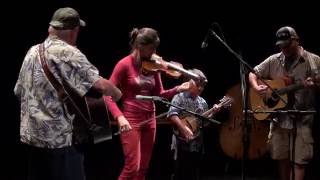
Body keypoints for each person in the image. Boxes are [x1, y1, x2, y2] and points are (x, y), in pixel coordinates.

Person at [14, 7, 122, 180]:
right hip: (60, 143)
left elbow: (18, 91)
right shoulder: (68, 52)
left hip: (32, 140)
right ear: (74, 31)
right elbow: (102, 87)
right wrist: (117, 94)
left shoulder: (32, 51)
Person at [104, 27, 195, 180]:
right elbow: (107, 95)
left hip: (150, 119)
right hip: (131, 119)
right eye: (152, 48)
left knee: (143, 170)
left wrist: (179, 88)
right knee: (132, 168)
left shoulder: (154, 66)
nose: (154, 52)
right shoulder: (124, 64)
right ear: (140, 46)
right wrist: (119, 117)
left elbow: (159, 94)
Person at [248, 26, 320, 180]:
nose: (284, 48)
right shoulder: (274, 59)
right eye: (281, 45)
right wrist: (256, 87)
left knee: (299, 161)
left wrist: (315, 85)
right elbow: (253, 73)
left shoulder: (313, 60)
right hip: (279, 119)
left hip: (303, 119)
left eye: (287, 44)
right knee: (282, 158)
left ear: (296, 40)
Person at [167, 69, 222, 180]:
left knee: (194, 173)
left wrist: (213, 112)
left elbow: (204, 123)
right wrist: (183, 128)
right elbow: (172, 114)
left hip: (197, 142)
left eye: (202, 86)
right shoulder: (179, 96)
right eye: (197, 85)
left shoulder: (202, 102)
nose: (200, 88)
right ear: (189, 83)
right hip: (180, 142)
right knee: (179, 172)